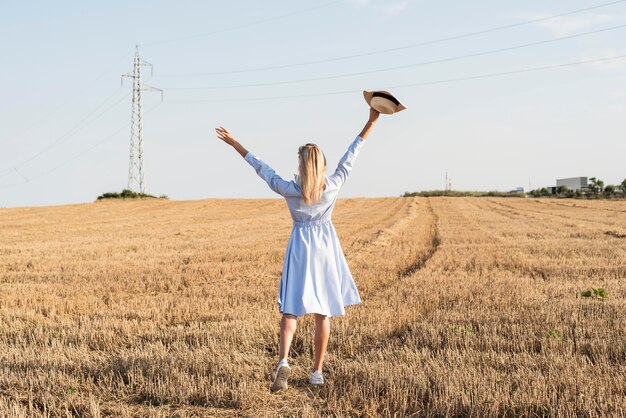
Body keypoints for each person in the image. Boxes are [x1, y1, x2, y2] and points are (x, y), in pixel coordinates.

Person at [215, 107, 380, 393]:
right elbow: (352, 154)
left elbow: (261, 168)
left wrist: (235, 144)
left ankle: (283, 361)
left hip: (300, 248)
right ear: (322, 165)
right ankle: (316, 372)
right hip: (325, 249)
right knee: (322, 311)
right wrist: (371, 121)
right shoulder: (333, 185)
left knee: (291, 309)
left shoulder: (289, 189)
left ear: (302, 166)